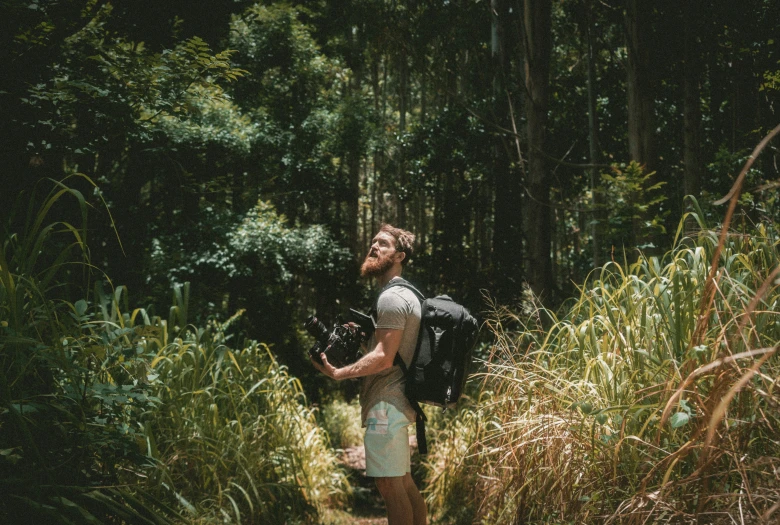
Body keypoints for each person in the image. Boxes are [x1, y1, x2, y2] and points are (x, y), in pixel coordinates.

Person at [312, 224, 427, 525]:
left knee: (390, 485)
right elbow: (391, 350)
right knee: (402, 482)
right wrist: (364, 336)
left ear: (399, 255)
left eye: (383, 244)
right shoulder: (405, 295)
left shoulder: (391, 298)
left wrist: (339, 373)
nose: (374, 246)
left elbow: (383, 358)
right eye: (373, 242)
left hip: (386, 405)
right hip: (397, 401)